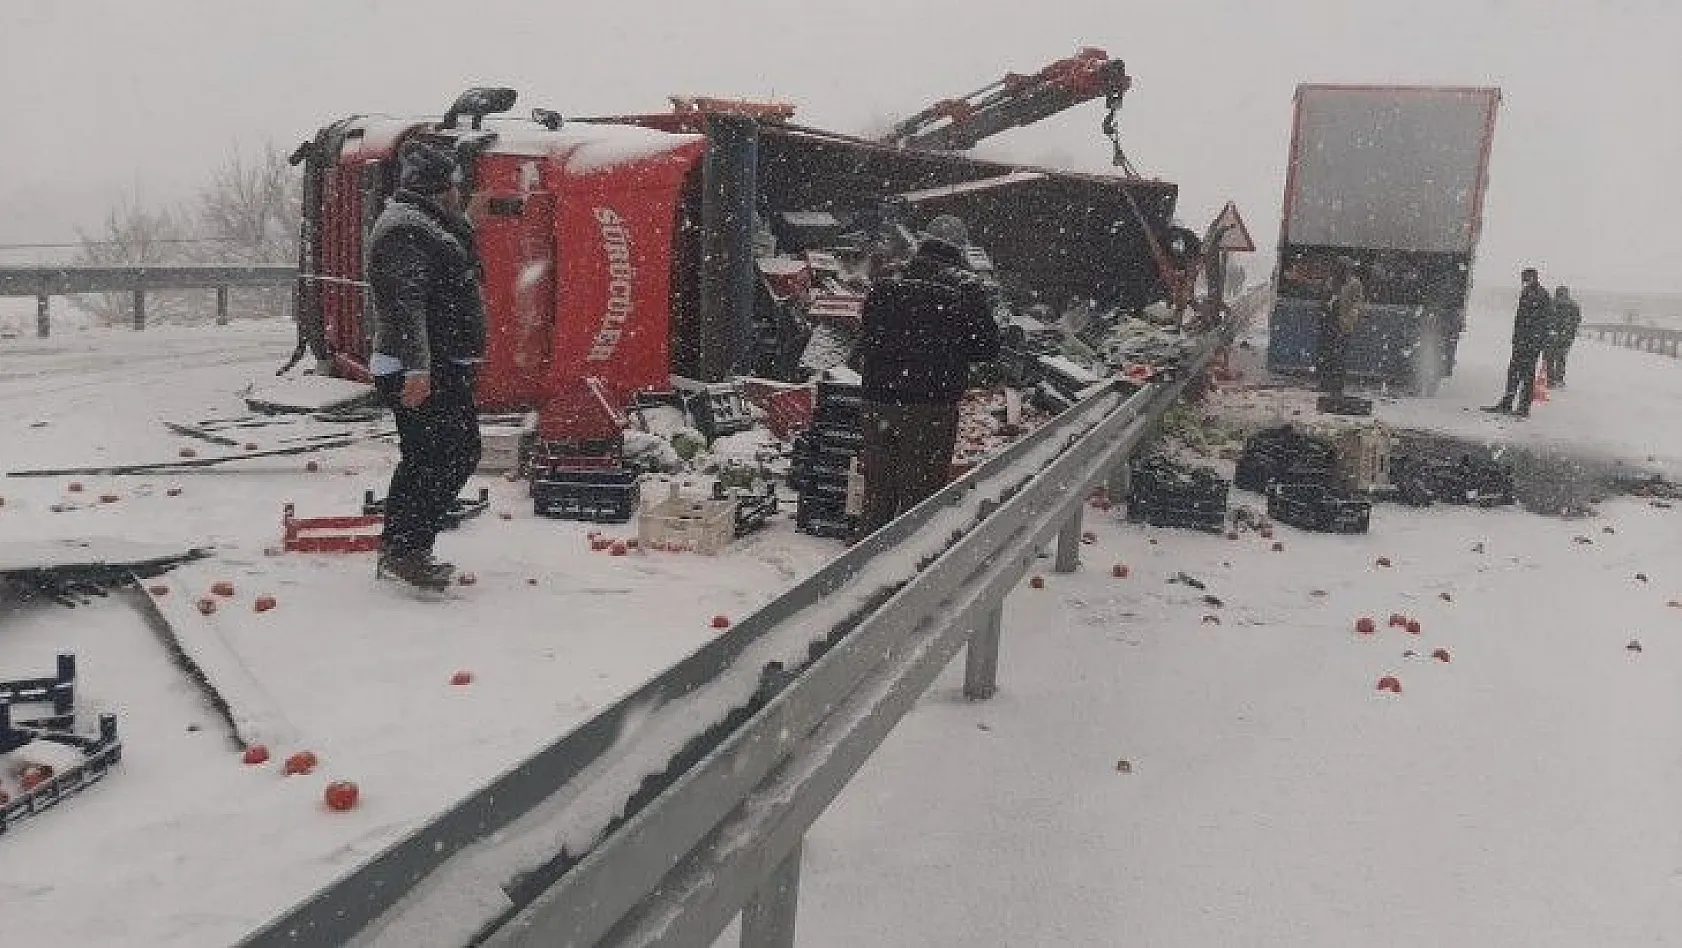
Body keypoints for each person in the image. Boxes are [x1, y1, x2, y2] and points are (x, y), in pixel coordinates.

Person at [365, 140, 487, 589]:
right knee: (439, 456)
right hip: (417, 366)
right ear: (437, 187)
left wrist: (472, 214)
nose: (459, 192)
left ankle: (405, 547)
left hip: (437, 363)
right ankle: (406, 550)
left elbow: (458, 254)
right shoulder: (404, 230)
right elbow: (405, 307)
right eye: (454, 185)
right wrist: (418, 370)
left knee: (439, 455)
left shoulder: (424, 222)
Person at [850, 237, 1000, 539]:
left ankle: (864, 561)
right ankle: (906, 569)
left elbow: (868, 336)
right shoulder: (960, 296)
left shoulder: (884, 287)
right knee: (920, 494)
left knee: (878, 490)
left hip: (878, 402)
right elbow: (987, 348)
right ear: (956, 265)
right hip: (930, 406)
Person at [1483, 267, 1552, 418]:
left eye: (1525, 278)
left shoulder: (1538, 294)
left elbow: (1542, 322)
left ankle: (1521, 407)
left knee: (1526, 375)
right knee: (1514, 373)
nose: (1523, 281)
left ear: (1533, 278)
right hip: (1524, 341)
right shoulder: (1530, 292)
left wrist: (1535, 342)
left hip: (1529, 343)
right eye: (1523, 278)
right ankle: (1508, 403)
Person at [1318, 257, 1365, 397]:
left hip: (1342, 325)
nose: (1339, 270)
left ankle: (1337, 386)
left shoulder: (1354, 284)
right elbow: (1323, 299)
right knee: (1326, 354)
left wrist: (1349, 320)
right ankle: (1325, 383)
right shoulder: (1331, 282)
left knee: (1339, 357)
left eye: (1342, 268)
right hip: (1328, 322)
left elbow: (1357, 304)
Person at [1545, 285, 1582, 387]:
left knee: (1550, 358)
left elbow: (1545, 319)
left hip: (1551, 336)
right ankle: (1559, 379)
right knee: (1561, 358)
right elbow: (1577, 320)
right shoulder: (1574, 305)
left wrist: (1548, 331)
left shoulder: (1551, 304)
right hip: (1566, 337)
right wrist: (1570, 332)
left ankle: (1550, 379)